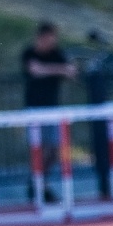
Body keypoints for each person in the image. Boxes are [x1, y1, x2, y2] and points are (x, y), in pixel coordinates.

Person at [21, 21, 76, 202]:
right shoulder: (29, 53)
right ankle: (38, 184)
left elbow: (71, 71)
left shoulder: (57, 53)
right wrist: (59, 70)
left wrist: (58, 69)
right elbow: (36, 70)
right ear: (41, 37)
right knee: (37, 147)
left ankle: (39, 181)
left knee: (55, 148)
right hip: (34, 109)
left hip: (53, 109)